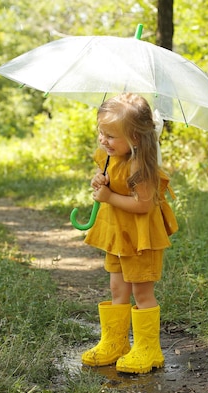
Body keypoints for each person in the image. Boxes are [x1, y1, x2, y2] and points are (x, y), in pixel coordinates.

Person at [81, 93, 177, 374]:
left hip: (140, 239)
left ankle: (149, 349)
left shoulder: (140, 166)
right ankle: (115, 342)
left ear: (135, 138)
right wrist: (99, 180)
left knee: (141, 291)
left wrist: (109, 197)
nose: (103, 140)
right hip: (117, 236)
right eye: (101, 132)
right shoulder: (112, 157)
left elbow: (143, 205)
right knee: (116, 288)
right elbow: (106, 181)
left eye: (110, 135)